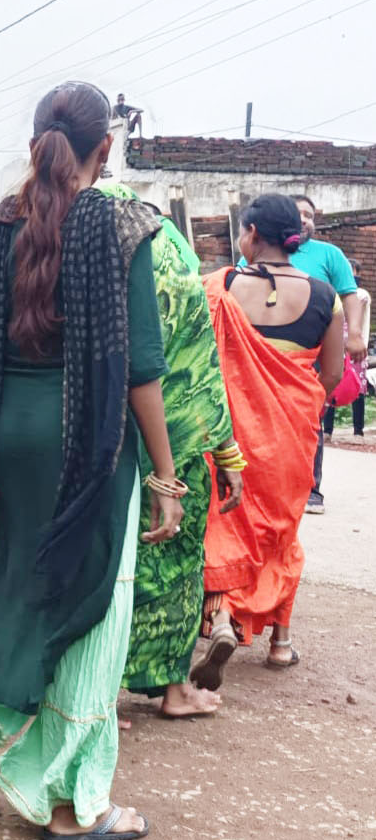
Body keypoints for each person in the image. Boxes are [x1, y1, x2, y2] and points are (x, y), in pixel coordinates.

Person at [0, 82, 177, 839]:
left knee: (22, 574)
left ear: (34, 146)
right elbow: (141, 369)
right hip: (84, 442)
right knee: (92, 609)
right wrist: (165, 476)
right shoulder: (122, 228)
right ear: (104, 149)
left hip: (8, 438)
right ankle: (69, 803)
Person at [97, 183, 243, 721]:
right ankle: (174, 689)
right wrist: (229, 458)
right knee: (176, 567)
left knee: (103, 562)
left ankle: (90, 683)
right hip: (176, 443)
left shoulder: (85, 247)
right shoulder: (178, 259)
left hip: (94, 438)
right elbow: (201, 371)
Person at [194, 194, 342, 691]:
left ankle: (219, 620)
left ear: (253, 234)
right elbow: (333, 374)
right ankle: (280, 642)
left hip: (232, 435)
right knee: (282, 532)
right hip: (292, 438)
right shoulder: (326, 296)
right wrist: (290, 409)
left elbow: (201, 361)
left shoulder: (222, 287)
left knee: (226, 525)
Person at [279, 196, 363, 513]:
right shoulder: (264, 251)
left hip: (314, 349)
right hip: (268, 349)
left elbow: (349, 295)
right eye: (297, 213)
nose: (304, 219)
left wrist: (354, 335)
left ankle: (311, 489)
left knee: (311, 414)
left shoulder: (329, 254)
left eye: (309, 215)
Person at [324, 257, 370, 438]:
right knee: (331, 383)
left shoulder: (362, 294)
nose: (350, 275)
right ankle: (327, 430)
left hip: (356, 348)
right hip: (334, 345)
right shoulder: (332, 293)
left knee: (356, 386)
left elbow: (356, 300)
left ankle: (358, 431)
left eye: (354, 272)